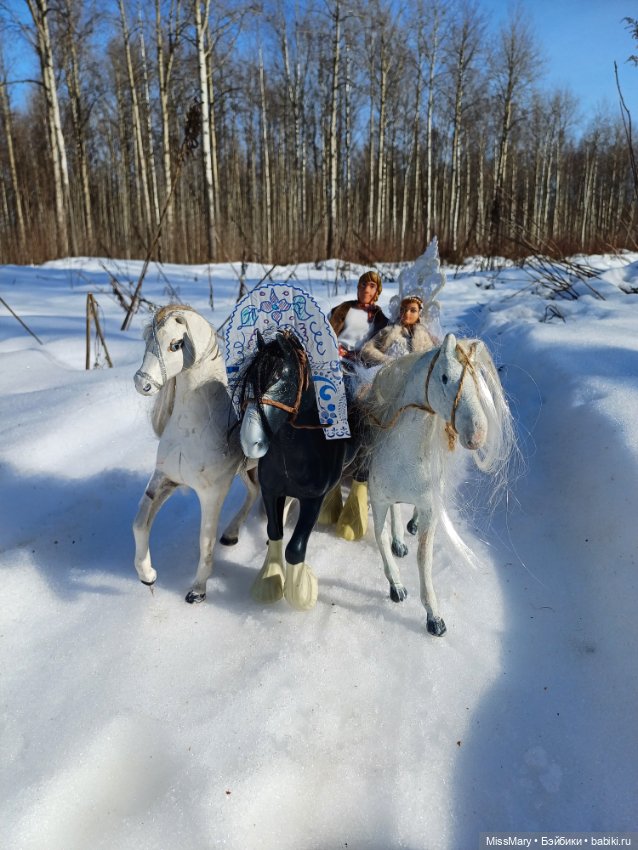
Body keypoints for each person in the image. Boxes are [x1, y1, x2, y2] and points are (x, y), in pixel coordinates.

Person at [328, 270, 389, 363]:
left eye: (372, 286)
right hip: (335, 358)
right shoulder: (342, 309)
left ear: (377, 291)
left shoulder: (380, 318)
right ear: (358, 287)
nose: (366, 290)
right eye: (363, 284)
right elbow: (325, 329)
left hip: (360, 365)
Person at [359, 295, 435, 366]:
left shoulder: (424, 336)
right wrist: (386, 360)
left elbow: (430, 358)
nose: (407, 313)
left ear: (419, 314)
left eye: (413, 310)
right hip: (390, 375)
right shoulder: (389, 331)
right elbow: (367, 349)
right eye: (403, 309)